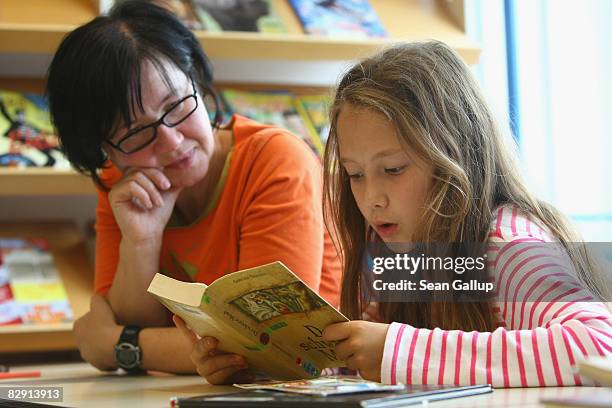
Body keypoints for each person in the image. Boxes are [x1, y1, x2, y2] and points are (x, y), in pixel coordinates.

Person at [180, 41, 612, 386]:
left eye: (393, 169)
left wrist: (399, 351)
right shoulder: (403, 249)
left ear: (453, 157)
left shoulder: (505, 246)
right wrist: (258, 365)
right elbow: (358, 369)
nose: (371, 199)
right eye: (354, 174)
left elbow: (600, 346)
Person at [46, 0, 341, 381]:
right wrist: (142, 241)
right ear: (105, 151)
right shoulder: (121, 184)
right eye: (136, 133)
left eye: (177, 105)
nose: (171, 142)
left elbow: (268, 345)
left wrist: (118, 346)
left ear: (198, 83)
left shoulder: (274, 159)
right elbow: (126, 320)